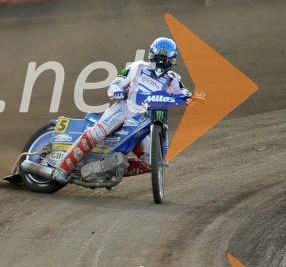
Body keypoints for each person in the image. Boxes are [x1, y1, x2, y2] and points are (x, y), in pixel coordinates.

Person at [50, 37, 193, 185]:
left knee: (154, 161)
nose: (163, 62)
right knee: (97, 133)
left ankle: (110, 169)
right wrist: (117, 91)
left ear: (173, 60)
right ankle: (62, 168)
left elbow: (187, 95)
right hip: (124, 108)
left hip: (143, 120)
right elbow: (116, 83)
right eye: (160, 58)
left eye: (167, 59)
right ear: (153, 56)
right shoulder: (137, 67)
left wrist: (196, 99)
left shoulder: (173, 80)